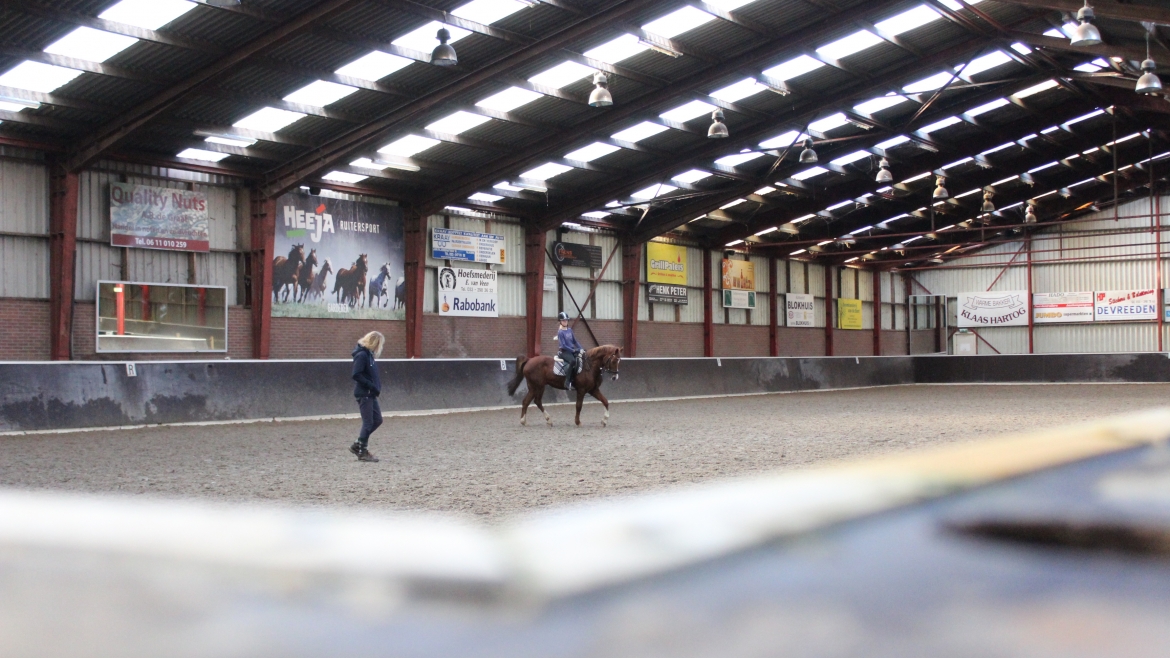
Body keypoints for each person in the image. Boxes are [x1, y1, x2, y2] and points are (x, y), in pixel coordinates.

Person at [350, 331, 384, 462]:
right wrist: (371, 385)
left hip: (370, 393)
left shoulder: (369, 356)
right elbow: (356, 374)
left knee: (377, 420)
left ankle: (358, 444)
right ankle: (362, 450)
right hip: (365, 393)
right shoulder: (362, 355)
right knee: (368, 422)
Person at [555, 311, 584, 390]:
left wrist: (581, 349)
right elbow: (563, 345)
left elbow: (575, 341)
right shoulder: (560, 332)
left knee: (581, 359)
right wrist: (573, 350)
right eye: (564, 320)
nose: (565, 322)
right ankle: (567, 382)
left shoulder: (570, 330)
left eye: (566, 320)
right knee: (573, 361)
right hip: (564, 352)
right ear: (560, 322)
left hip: (571, 350)